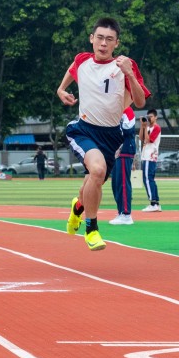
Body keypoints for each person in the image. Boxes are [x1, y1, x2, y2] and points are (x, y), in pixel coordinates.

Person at [57, 17, 147, 251]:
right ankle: (92, 229)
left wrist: (129, 75)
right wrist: (61, 89)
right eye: (99, 38)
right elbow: (72, 68)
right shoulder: (83, 60)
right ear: (92, 39)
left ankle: (77, 208)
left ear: (116, 43)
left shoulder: (125, 65)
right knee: (97, 171)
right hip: (83, 130)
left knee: (91, 183)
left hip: (111, 136)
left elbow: (139, 101)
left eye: (109, 39)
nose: (103, 43)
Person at [110, 108, 137, 225]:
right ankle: (121, 211)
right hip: (115, 152)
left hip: (125, 150)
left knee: (123, 183)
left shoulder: (127, 111)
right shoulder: (114, 111)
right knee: (115, 183)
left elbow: (127, 129)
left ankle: (126, 214)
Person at [139, 109, 161, 212]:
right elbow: (141, 138)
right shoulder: (147, 127)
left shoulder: (156, 128)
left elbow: (148, 140)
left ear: (155, 117)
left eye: (151, 116)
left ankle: (153, 203)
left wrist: (145, 128)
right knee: (150, 179)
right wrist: (142, 127)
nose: (149, 118)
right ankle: (156, 203)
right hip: (146, 156)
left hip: (150, 156)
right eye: (148, 116)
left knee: (147, 179)